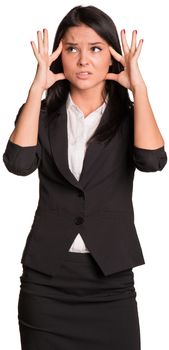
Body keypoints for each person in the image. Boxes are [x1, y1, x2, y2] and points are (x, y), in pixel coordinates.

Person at [3, 5, 167, 350]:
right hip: (46, 283)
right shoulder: (41, 114)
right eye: (71, 48)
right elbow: (18, 164)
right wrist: (36, 90)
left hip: (110, 281)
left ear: (112, 57)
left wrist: (141, 90)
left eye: (95, 49)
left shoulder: (130, 116)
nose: (83, 60)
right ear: (58, 56)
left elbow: (152, 161)